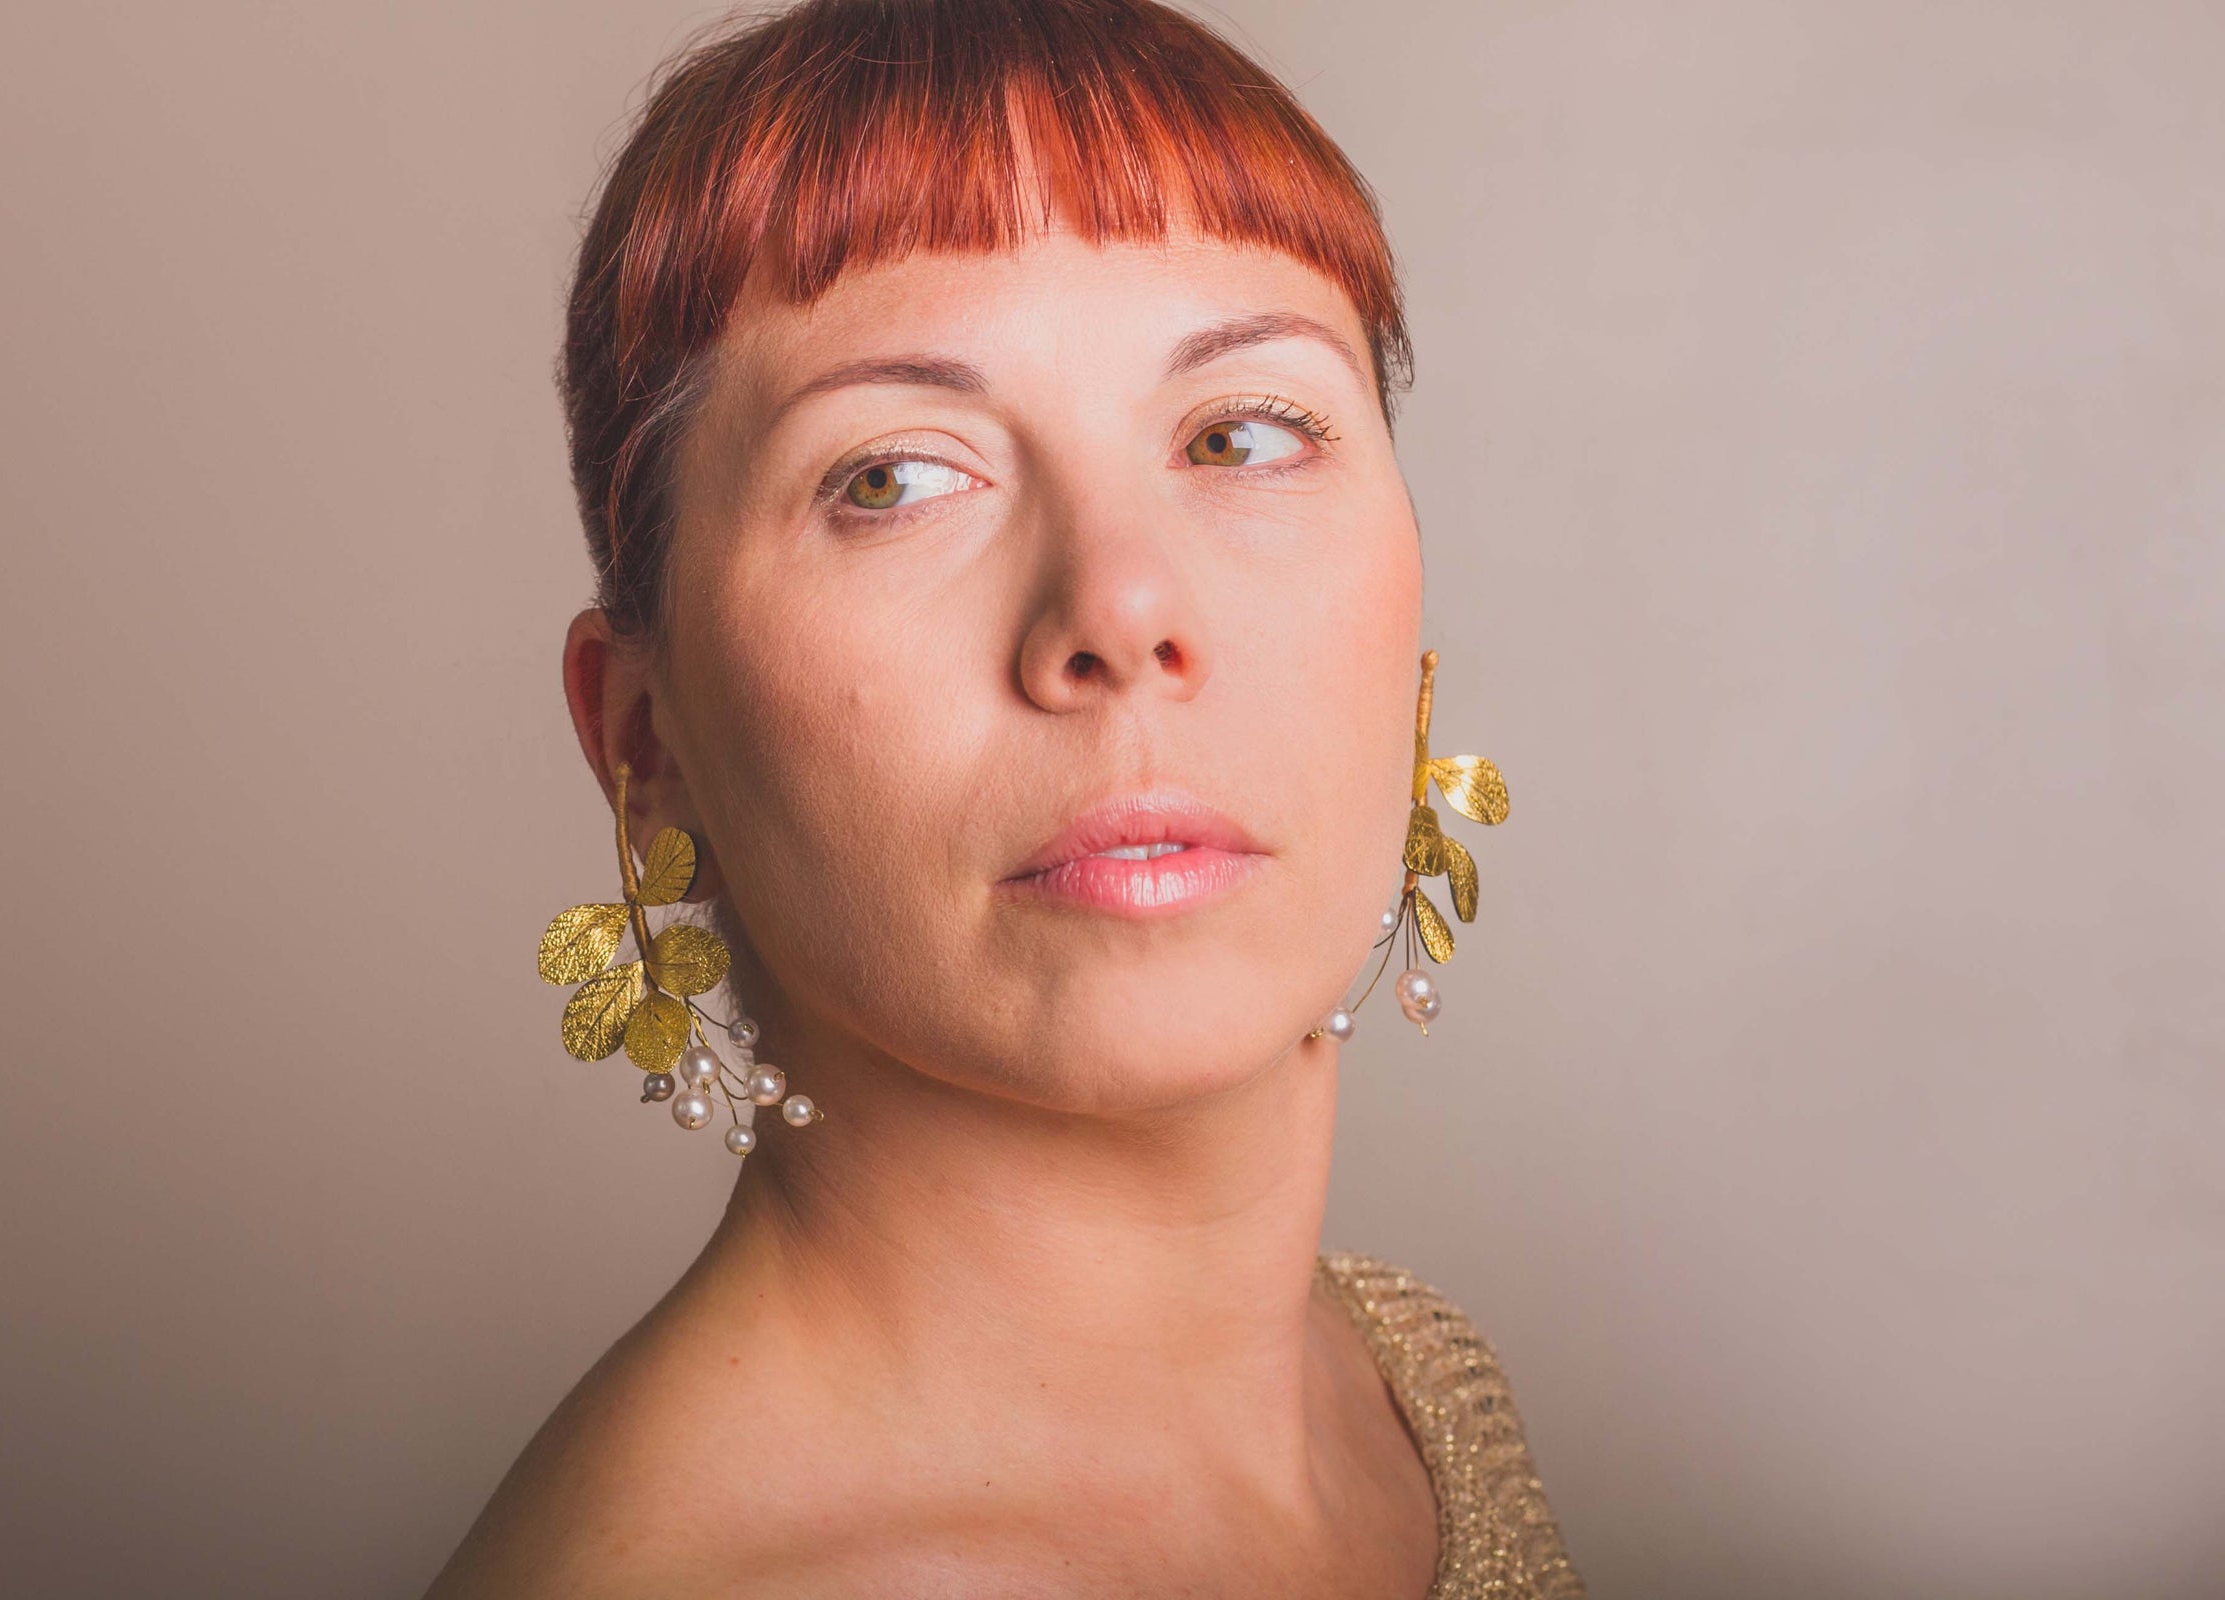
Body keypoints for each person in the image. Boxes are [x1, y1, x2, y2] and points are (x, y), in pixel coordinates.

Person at [429, 0, 1581, 1593]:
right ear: (647, 742)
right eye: (892, 476)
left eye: (1244, 432)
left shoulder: (1403, 1374)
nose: (1118, 608)